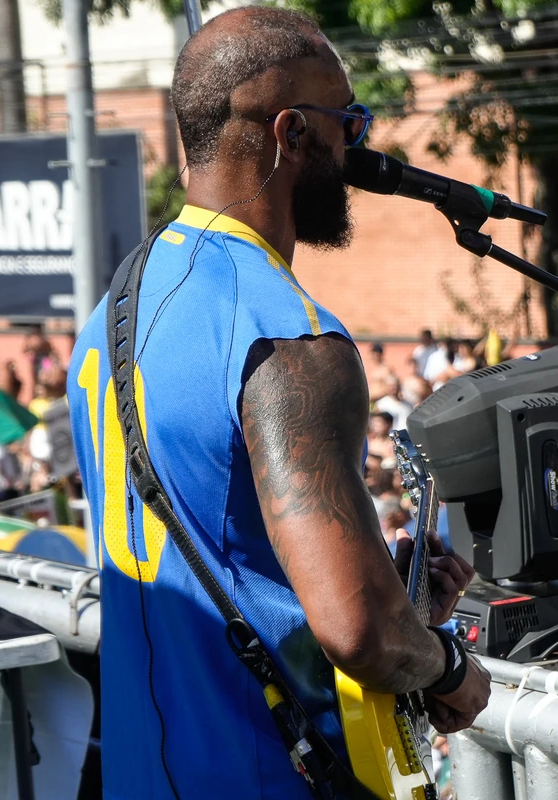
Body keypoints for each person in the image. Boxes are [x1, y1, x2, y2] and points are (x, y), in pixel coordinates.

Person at [65, 8, 489, 797]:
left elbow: (222, 549)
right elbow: (358, 633)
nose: (358, 148)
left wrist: (386, 585)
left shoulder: (112, 313)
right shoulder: (291, 341)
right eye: (350, 123)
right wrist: (450, 666)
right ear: (291, 133)